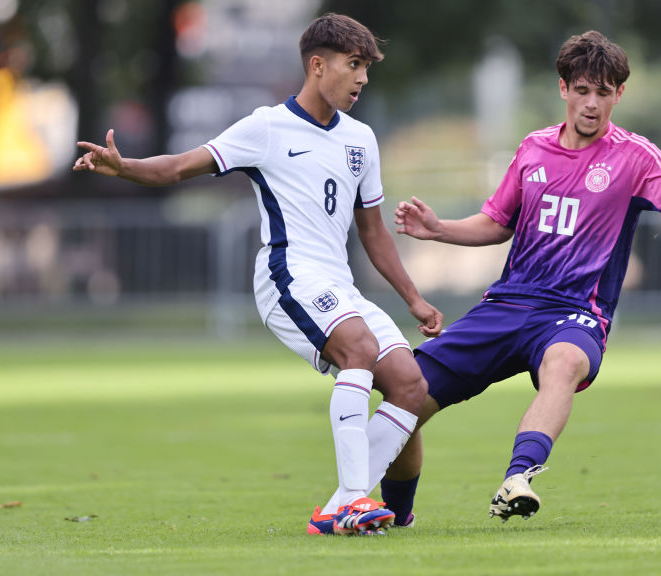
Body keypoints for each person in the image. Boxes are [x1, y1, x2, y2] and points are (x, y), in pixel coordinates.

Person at [73, 13, 443, 536]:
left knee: (410, 384)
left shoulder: (361, 139)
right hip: (286, 276)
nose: (362, 78)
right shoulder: (266, 127)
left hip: (339, 284)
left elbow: (374, 230)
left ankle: (344, 502)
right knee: (358, 349)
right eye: (353, 65)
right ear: (318, 66)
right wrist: (125, 165)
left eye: (366, 68)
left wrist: (413, 298)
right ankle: (354, 500)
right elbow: (181, 166)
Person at [385, 30, 661, 524]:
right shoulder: (532, 148)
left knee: (564, 364)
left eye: (604, 93)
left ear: (619, 95)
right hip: (506, 306)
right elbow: (498, 224)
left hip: (575, 314)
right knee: (405, 397)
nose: (592, 104)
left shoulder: (635, 157)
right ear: (563, 88)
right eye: (583, 90)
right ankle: (394, 517)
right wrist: (439, 229)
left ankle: (518, 478)